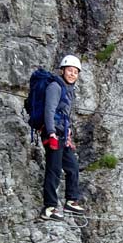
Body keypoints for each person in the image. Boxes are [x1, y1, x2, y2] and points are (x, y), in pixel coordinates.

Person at [40, 54, 85, 221]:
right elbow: (49, 110)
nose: (73, 74)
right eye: (70, 70)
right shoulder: (55, 86)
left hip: (62, 135)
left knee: (72, 166)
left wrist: (68, 134)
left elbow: (65, 114)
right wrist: (51, 132)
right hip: (53, 134)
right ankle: (49, 208)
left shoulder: (69, 90)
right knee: (54, 169)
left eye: (75, 72)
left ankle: (71, 200)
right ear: (63, 70)